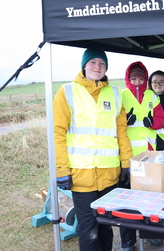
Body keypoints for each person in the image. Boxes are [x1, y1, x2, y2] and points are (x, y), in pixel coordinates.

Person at [53, 46, 132, 251]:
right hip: (81, 175)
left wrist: (126, 164)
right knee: (89, 229)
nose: (98, 66)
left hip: (109, 173)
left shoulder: (115, 94)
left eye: (102, 63)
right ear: (84, 66)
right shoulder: (67, 91)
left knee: (106, 226)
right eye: (93, 62)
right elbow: (57, 133)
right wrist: (61, 169)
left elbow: (121, 132)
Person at [120, 62, 164, 251]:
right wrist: (125, 120)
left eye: (140, 78)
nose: (137, 81)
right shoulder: (122, 95)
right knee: (128, 199)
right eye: (134, 78)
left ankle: (151, 233)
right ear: (128, 79)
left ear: (145, 79)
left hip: (148, 154)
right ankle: (127, 242)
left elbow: (161, 118)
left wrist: (152, 122)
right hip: (127, 155)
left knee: (150, 195)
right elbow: (113, 119)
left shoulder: (152, 96)